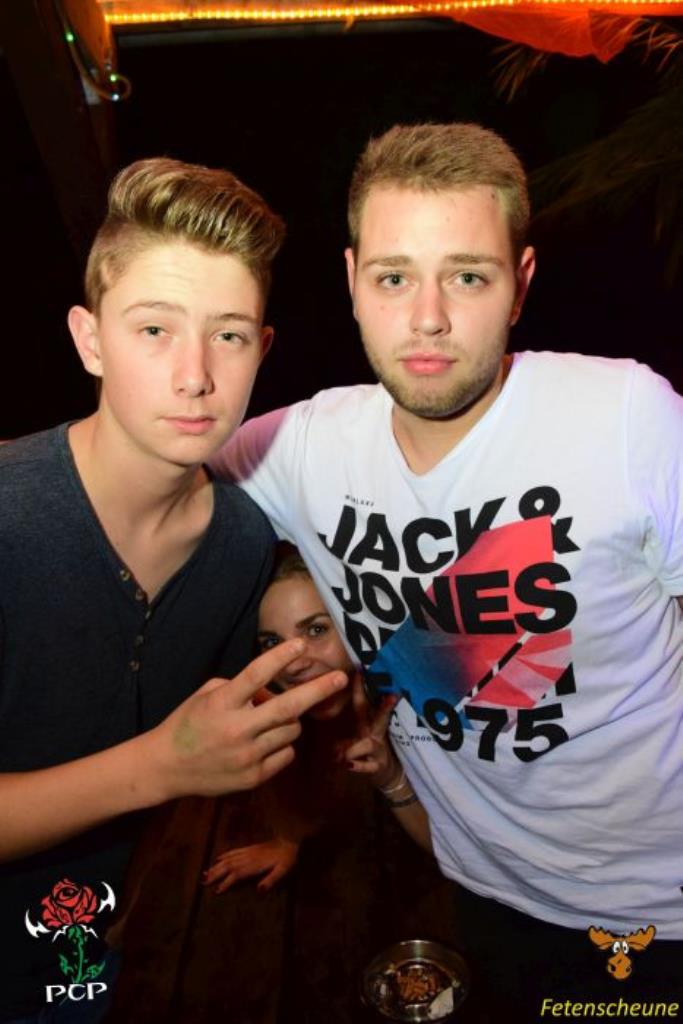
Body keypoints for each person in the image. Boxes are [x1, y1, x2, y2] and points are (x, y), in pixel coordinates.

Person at [209, 123, 683, 1014]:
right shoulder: (299, 449)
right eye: (394, 278)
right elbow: (141, 491)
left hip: (658, 908)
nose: (427, 317)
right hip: (483, 884)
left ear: (520, 284)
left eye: (467, 276)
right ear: (352, 280)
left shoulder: (625, 417)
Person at [0, 158, 347, 1023]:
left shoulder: (241, 542)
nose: (195, 375)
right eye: (154, 329)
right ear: (89, 340)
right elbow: (169, 759)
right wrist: (158, 767)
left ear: (262, 349)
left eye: (228, 335)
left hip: (87, 947)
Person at [203, 547, 427, 895]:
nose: (292, 665)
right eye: (272, 641)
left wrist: (393, 773)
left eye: (316, 629)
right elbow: (285, 782)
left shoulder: (413, 684)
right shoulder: (266, 702)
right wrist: (288, 840)